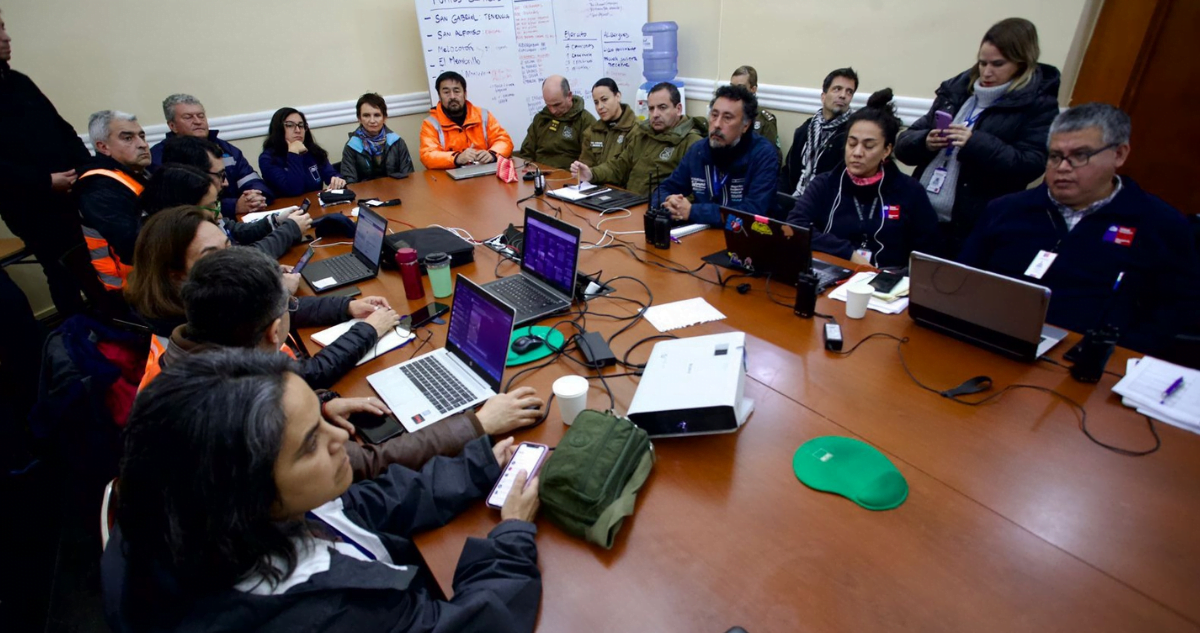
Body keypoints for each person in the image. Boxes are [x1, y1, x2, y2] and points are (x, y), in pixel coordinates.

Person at [102, 349, 542, 632]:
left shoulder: (190, 508)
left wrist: (475, 464)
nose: (341, 440)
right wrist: (512, 536)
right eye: (311, 441)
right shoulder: (327, 617)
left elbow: (357, 507)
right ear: (247, 493)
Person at [147, 246, 546, 479]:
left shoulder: (192, 356)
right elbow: (368, 463)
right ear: (275, 331)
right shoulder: (247, 406)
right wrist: (478, 424)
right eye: (290, 306)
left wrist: (319, 404)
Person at [959, 103, 1200, 356]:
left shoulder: (1159, 223)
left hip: (1094, 358)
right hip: (995, 344)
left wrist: (1118, 351)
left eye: (1080, 156)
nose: (1063, 167)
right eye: (1055, 156)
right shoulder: (1005, 210)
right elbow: (964, 279)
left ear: (1119, 154)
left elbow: (1179, 307)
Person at [895, 18, 1061, 256]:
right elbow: (903, 144)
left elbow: (1030, 164)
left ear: (1021, 63)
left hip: (973, 226)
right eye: (982, 63)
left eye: (997, 64)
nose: (987, 72)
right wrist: (926, 141)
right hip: (923, 217)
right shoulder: (957, 91)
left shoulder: (1038, 104)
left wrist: (975, 143)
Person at [787, 89, 939, 269]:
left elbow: (929, 253)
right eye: (852, 143)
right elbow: (795, 227)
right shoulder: (825, 184)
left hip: (887, 285)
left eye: (868, 146)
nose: (857, 153)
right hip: (833, 275)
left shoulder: (910, 191)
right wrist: (848, 254)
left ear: (886, 150)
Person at [0, 11, 89, 314]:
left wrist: (88, 170)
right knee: (62, 272)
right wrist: (46, 182)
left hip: (72, 188)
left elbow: (61, 129)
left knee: (91, 263)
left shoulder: (18, 81)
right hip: (29, 202)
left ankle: (110, 328)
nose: (7, 38)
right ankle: (77, 339)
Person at [651, 84, 779, 226]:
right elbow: (663, 189)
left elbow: (752, 213)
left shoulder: (763, 154)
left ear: (745, 125)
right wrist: (670, 203)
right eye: (714, 115)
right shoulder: (698, 150)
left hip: (746, 239)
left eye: (727, 118)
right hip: (701, 236)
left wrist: (693, 211)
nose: (717, 124)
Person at [138, 161, 306, 260]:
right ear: (184, 209)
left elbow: (233, 229)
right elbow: (241, 261)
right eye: (212, 205)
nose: (217, 211)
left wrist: (276, 220)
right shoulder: (186, 244)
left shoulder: (198, 222)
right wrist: (289, 230)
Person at [150, 93, 274, 216]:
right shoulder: (160, 157)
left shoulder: (227, 149)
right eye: (188, 117)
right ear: (172, 126)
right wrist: (233, 206)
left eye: (201, 116)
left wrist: (256, 196)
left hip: (242, 218)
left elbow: (251, 179)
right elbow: (181, 204)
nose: (198, 121)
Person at [570, 82, 704, 195]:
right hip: (630, 203)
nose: (655, 114)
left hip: (660, 213)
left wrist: (673, 207)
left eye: (662, 107)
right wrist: (592, 174)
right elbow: (619, 167)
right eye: (651, 109)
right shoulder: (643, 134)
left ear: (678, 109)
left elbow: (698, 192)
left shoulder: (692, 143)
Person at [74, 110, 151, 289]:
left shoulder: (139, 173)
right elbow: (133, 247)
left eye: (142, 136)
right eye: (128, 138)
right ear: (103, 147)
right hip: (131, 286)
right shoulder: (98, 188)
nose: (142, 145)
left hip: (154, 272)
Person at [780, 68, 858, 197]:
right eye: (837, 89)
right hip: (794, 200)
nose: (843, 95)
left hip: (826, 207)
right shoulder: (806, 129)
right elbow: (787, 171)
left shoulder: (852, 134)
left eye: (849, 92)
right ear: (823, 96)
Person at [419, 71, 513, 170]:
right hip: (449, 179)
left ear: (465, 93)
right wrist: (456, 158)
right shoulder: (430, 123)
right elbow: (427, 155)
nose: (452, 97)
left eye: (457, 91)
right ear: (439, 95)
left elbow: (504, 141)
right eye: (446, 92)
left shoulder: (483, 115)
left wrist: (492, 154)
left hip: (485, 174)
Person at [259, 107, 346, 196]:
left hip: (314, 206)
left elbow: (331, 175)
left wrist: (338, 180)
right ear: (278, 129)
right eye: (290, 125)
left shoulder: (313, 151)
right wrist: (293, 153)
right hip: (286, 208)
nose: (298, 130)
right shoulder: (268, 158)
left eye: (301, 125)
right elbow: (293, 190)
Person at [516, 75, 596, 170]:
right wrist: (528, 169)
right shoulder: (541, 119)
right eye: (548, 105)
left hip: (568, 176)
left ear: (569, 96)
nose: (553, 111)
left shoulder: (585, 121)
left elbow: (588, 159)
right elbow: (526, 153)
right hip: (539, 174)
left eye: (557, 105)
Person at [341, 93, 415, 183]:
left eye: (377, 115)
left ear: (384, 117)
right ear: (359, 118)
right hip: (365, 195)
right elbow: (350, 183)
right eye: (366, 115)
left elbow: (409, 177)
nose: (372, 121)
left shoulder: (397, 142)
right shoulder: (351, 146)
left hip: (396, 193)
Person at [577, 78, 637, 167]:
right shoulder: (592, 132)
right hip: (594, 180)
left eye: (604, 99)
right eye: (596, 102)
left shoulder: (636, 129)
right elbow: (585, 166)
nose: (600, 107)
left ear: (618, 97)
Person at [729, 66, 780, 163]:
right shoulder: (725, 116)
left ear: (753, 89)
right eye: (732, 87)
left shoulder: (764, 120)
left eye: (740, 87)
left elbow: (772, 157)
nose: (734, 92)